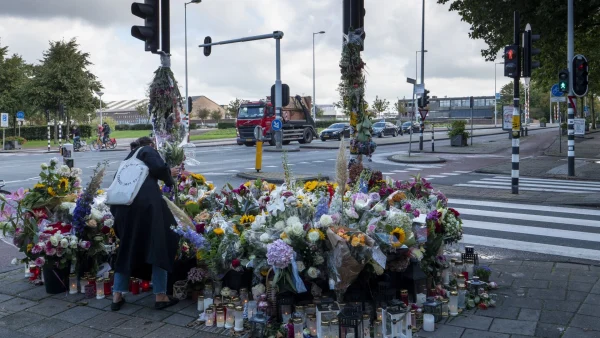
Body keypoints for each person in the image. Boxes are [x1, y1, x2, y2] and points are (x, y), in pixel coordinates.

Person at [110, 136, 181, 311]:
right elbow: (159, 167)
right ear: (150, 145)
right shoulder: (147, 150)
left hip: (124, 207)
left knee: (127, 247)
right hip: (146, 207)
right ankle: (160, 295)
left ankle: (117, 296)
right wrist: (169, 177)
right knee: (159, 244)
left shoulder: (128, 160)